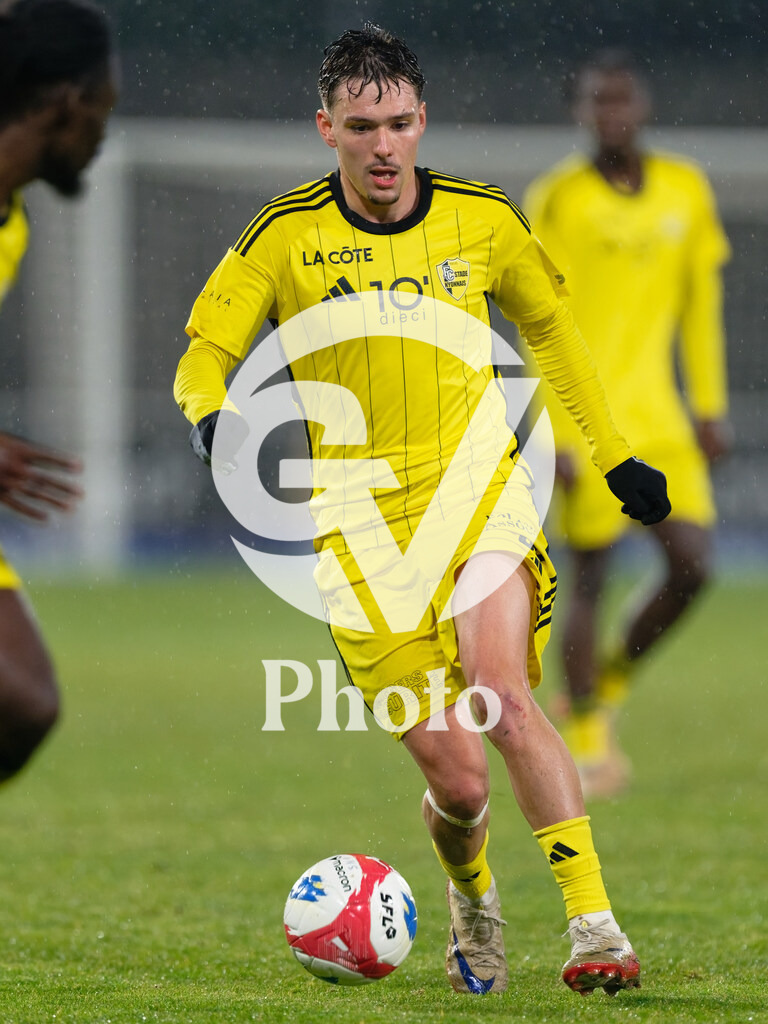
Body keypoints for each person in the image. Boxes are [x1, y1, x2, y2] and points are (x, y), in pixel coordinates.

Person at [174, 25, 670, 997]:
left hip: (480, 500)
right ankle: (473, 894)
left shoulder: (482, 221)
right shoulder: (285, 236)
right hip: (362, 541)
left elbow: (554, 332)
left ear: (422, 120)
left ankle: (594, 926)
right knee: (460, 782)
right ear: (328, 129)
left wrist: (615, 458)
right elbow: (205, 350)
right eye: (363, 126)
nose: (385, 144)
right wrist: (208, 413)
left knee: (501, 695)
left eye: (400, 122)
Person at [524, 50, 730, 799]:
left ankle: (607, 679)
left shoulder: (685, 190)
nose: (610, 114)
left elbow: (700, 309)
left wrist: (709, 404)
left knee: (694, 565)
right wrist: (550, 426)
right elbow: (537, 318)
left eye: (620, 101)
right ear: (581, 113)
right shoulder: (559, 200)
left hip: (663, 417)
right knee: (592, 577)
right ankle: (586, 735)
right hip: (588, 419)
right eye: (595, 103)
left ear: (640, 107)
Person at [0, 0, 117, 779]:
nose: (105, 132)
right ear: (68, 100)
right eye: (105, 105)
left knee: (25, 703)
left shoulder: (13, 225)